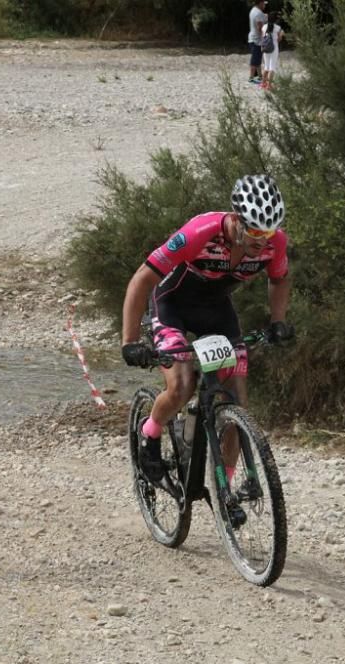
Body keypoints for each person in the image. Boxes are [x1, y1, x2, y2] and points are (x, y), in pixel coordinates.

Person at [121, 175, 295, 486]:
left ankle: (223, 488)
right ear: (237, 220)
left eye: (268, 232)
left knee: (236, 400)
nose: (262, 240)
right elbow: (143, 278)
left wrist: (278, 321)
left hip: (216, 311)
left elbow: (280, 278)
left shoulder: (274, 243)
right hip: (172, 305)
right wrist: (130, 341)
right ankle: (150, 432)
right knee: (181, 386)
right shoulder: (199, 233)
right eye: (254, 230)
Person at [259, 11, 284, 90]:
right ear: (276, 20)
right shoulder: (277, 28)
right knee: (272, 68)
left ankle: (263, 84)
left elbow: (263, 37)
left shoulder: (264, 27)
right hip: (274, 48)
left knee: (266, 67)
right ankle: (269, 85)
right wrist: (281, 34)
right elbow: (279, 39)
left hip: (266, 48)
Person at [247, 0, 268, 84]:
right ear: (260, 3)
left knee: (258, 59)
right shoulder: (258, 13)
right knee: (255, 59)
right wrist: (265, 37)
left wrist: (266, 16)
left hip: (254, 38)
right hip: (256, 39)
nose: (265, 5)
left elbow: (262, 18)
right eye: (264, 4)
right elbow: (260, 28)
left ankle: (260, 77)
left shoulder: (254, 10)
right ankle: (251, 78)